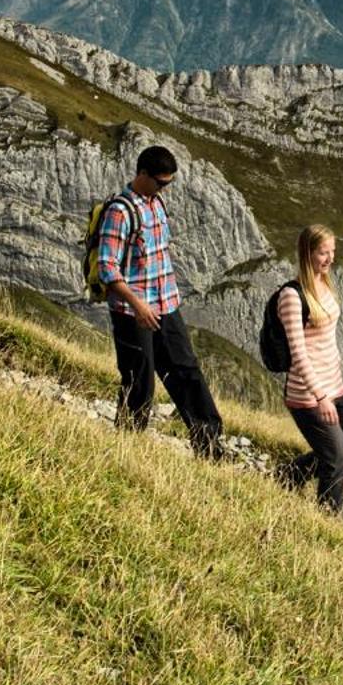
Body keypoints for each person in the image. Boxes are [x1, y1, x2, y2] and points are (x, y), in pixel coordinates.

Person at [95, 144, 224, 458]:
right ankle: (127, 447)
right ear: (142, 174)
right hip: (132, 312)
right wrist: (138, 305)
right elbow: (107, 267)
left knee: (187, 370)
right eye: (160, 182)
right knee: (139, 381)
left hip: (166, 304)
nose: (164, 188)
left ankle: (208, 444)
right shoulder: (120, 210)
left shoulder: (156, 204)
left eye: (168, 183)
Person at [278, 224, 343, 510]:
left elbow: (326, 337)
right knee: (337, 461)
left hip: (335, 384)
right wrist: (320, 396)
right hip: (309, 394)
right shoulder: (291, 297)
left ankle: (289, 474)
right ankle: (326, 519)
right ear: (307, 253)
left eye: (332, 251)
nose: (330, 258)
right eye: (323, 252)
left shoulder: (324, 285)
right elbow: (298, 354)